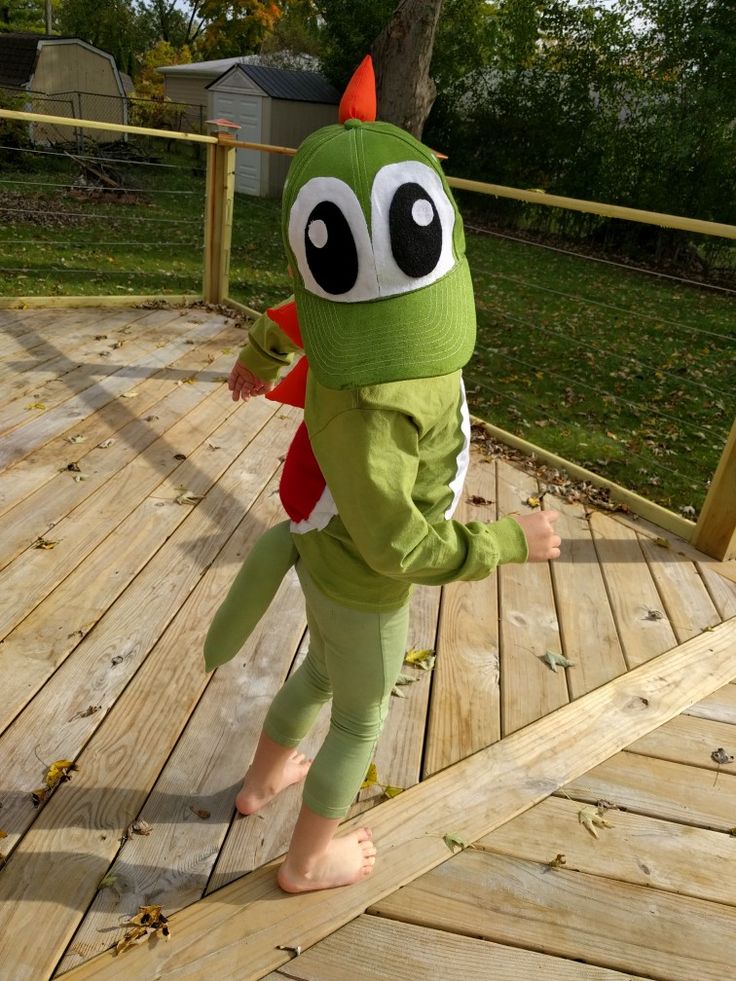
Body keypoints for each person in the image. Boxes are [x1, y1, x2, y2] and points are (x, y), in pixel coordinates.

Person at [205, 57, 561, 894]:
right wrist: (506, 538)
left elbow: (286, 317)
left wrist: (260, 356)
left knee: (320, 673)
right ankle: (304, 861)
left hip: (324, 555)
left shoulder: (332, 327)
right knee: (360, 713)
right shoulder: (363, 415)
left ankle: (260, 781)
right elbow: (399, 544)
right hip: (363, 581)